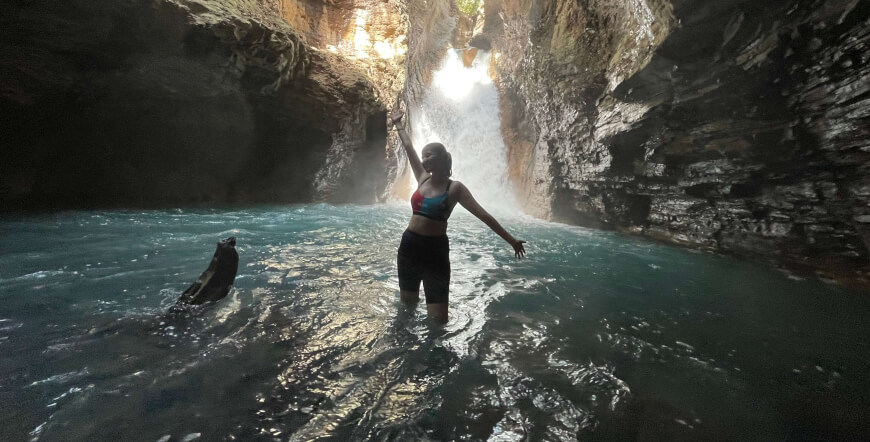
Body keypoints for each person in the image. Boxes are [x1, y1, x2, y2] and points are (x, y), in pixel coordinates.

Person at [390, 107, 526, 323]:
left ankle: (435, 353)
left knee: (438, 318)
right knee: (407, 306)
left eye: (429, 155)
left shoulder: (455, 189)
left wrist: (511, 240)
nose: (424, 160)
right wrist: (398, 123)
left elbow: (484, 215)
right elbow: (408, 149)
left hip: (435, 251)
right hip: (409, 247)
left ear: (442, 159)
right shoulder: (422, 178)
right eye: (423, 156)